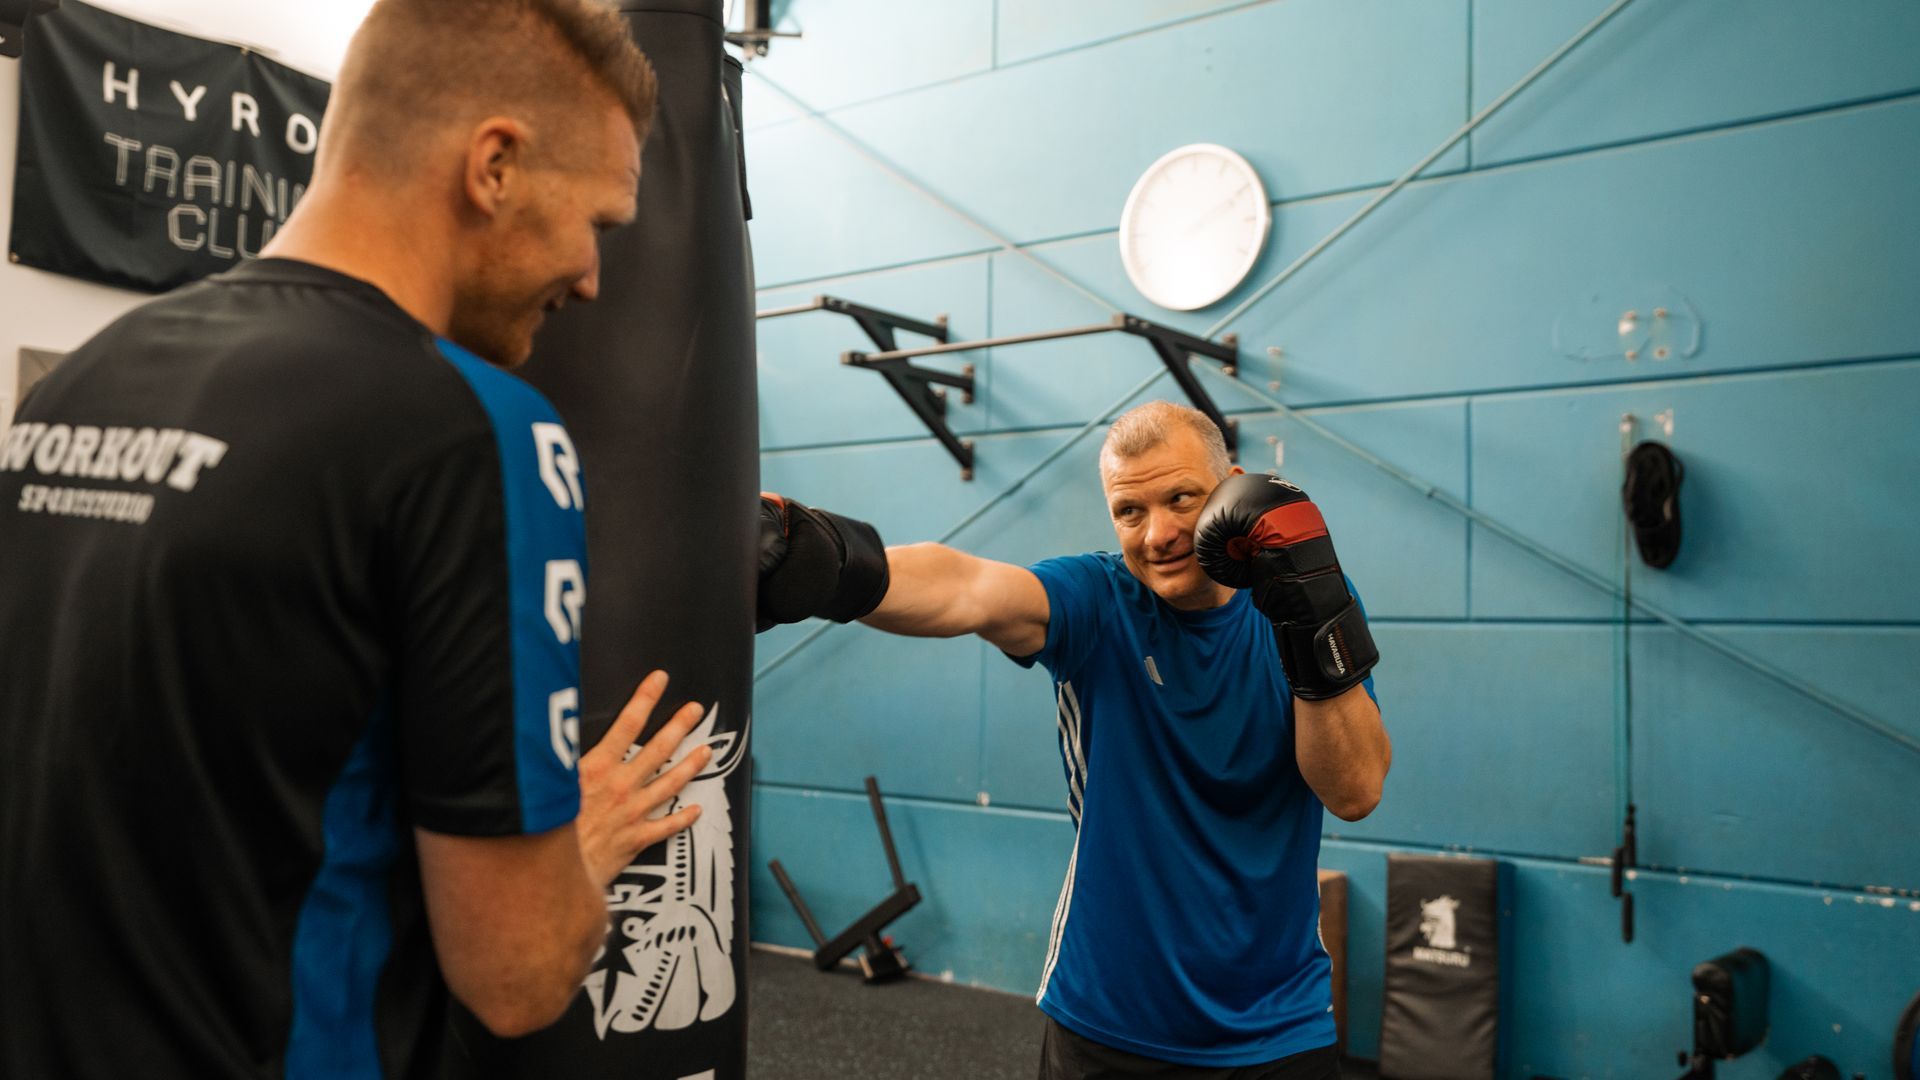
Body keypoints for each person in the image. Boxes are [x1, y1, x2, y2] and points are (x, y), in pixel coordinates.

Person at [0, 1, 712, 1076]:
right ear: (496, 165)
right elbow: (516, 980)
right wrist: (578, 854)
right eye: (599, 223)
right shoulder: (474, 431)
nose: (594, 277)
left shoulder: (88, 379)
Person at [757, 400, 1392, 1079]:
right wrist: (829, 560)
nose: (1158, 535)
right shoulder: (1099, 600)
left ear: (1232, 488)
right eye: (1130, 511)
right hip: (1111, 1018)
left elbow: (1354, 790)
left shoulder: (1308, 599)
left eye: (1182, 499)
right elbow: (969, 589)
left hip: (1280, 1023)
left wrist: (1313, 618)